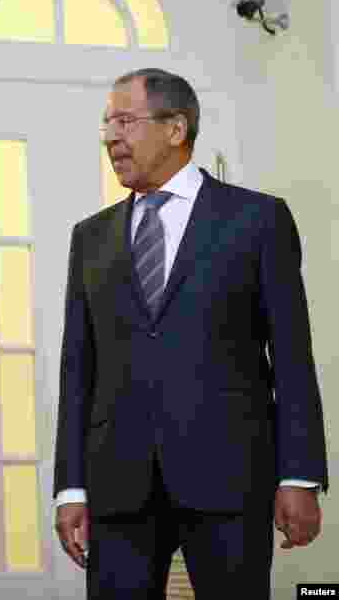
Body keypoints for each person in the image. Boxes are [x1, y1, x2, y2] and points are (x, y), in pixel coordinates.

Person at [53, 68, 328, 598]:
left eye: (125, 121)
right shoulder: (90, 237)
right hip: (119, 485)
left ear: (176, 129)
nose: (111, 136)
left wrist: (298, 476)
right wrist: (71, 486)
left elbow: (293, 355)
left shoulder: (256, 220)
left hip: (229, 477)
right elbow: (78, 369)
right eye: (107, 124)